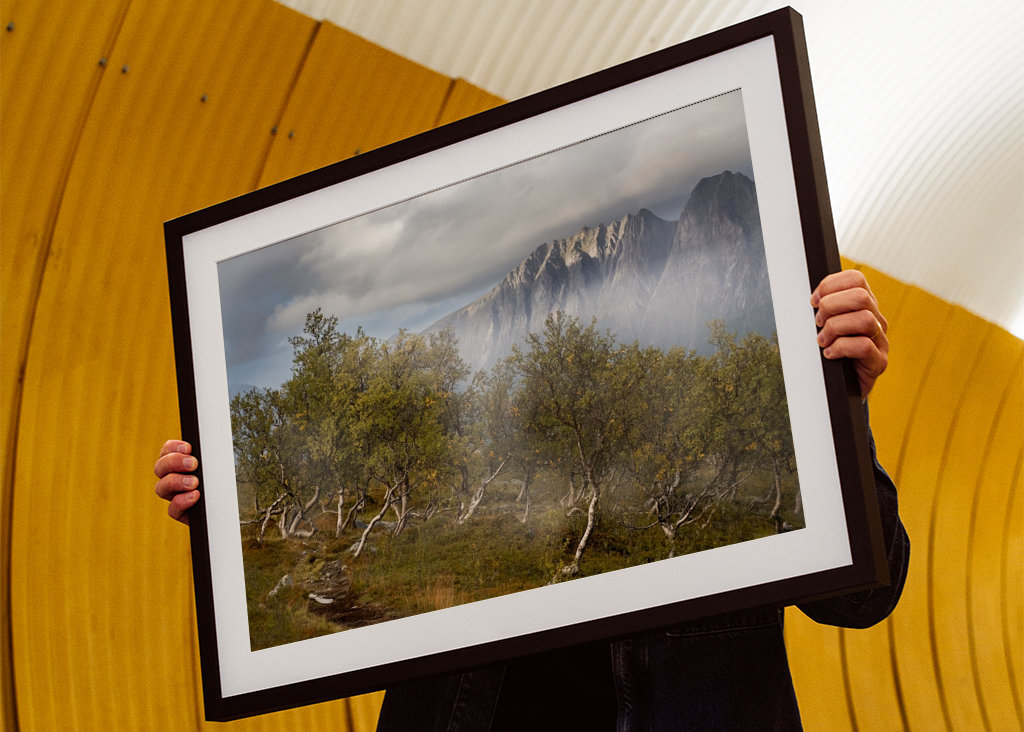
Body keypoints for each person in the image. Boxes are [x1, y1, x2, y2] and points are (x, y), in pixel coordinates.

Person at [154, 269, 909, 731]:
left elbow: (865, 596)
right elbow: (353, 539)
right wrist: (233, 497)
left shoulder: (759, 375)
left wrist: (839, 406)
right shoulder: (464, 427)